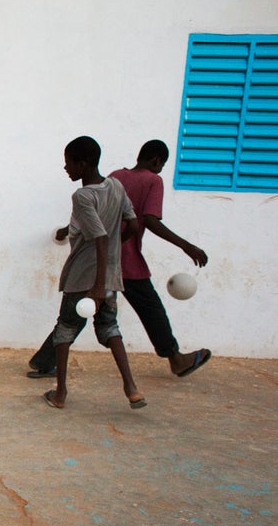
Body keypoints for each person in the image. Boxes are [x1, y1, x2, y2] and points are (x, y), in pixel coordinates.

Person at [28, 140, 211, 378]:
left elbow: (93, 216)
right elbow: (149, 221)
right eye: (162, 164)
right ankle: (174, 360)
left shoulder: (115, 177)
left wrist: (66, 230)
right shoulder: (151, 181)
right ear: (157, 161)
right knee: (147, 310)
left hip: (97, 260)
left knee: (76, 314)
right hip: (122, 261)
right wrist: (186, 245)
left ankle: (45, 361)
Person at [39, 136, 146, 410]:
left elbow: (98, 237)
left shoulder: (83, 196)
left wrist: (96, 285)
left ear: (82, 165)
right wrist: (114, 250)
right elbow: (132, 225)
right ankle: (131, 388)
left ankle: (60, 393)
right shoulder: (116, 186)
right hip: (111, 276)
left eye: (69, 164)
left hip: (85, 277)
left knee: (65, 330)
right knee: (110, 327)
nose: (66, 169)